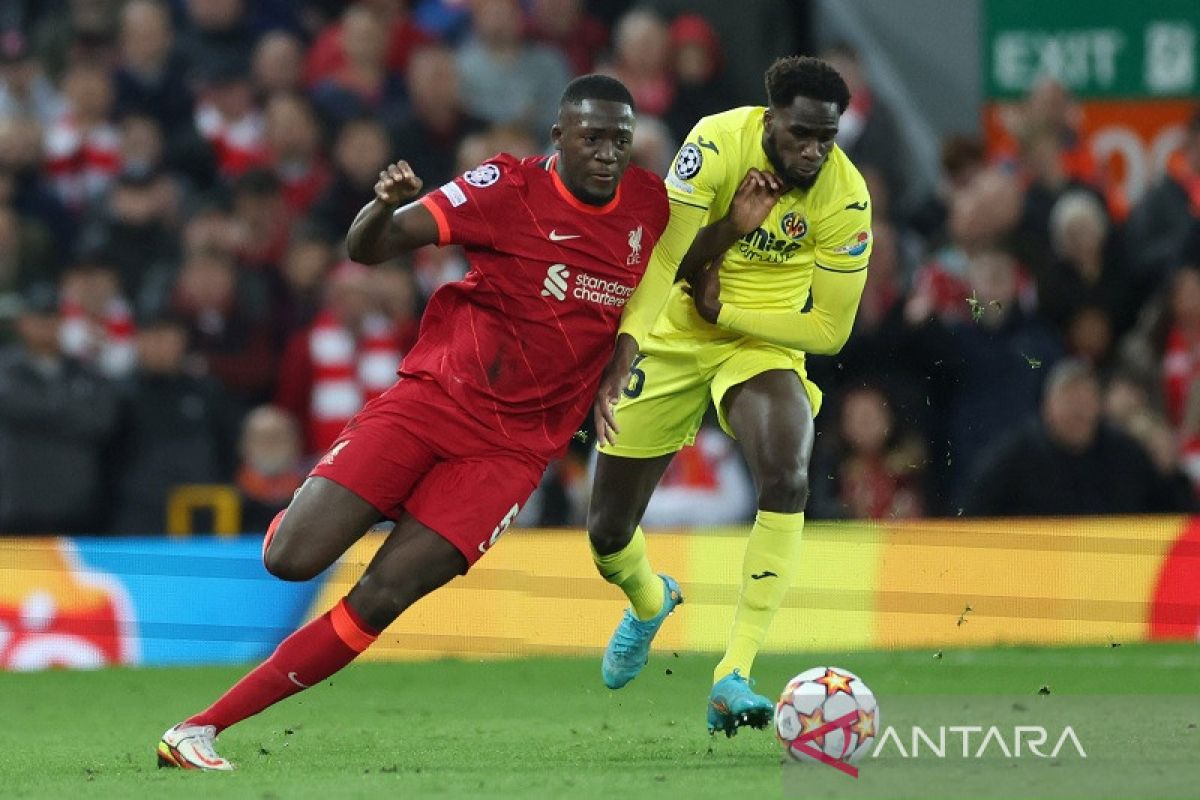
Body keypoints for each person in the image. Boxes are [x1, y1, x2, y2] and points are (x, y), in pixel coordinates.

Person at [156, 74, 670, 771]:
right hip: (431, 402)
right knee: (288, 559)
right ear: (558, 138)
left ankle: (201, 728)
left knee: (384, 594)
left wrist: (625, 356)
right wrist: (380, 208)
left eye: (620, 139)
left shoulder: (650, 205)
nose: (609, 153)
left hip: (510, 455)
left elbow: (672, 276)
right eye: (592, 138)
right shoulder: (504, 188)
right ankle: (349, 499)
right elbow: (369, 249)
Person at [585, 56, 872, 736]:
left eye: (826, 137)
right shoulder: (715, 142)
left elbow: (830, 330)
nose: (814, 151)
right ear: (769, 119)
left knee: (788, 473)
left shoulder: (846, 195)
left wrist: (733, 317)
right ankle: (650, 602)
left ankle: (733, 673)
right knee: (607, 534)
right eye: (801, 133)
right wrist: (735, 229)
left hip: (758, 340)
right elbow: (667, 259)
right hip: (674, 333)